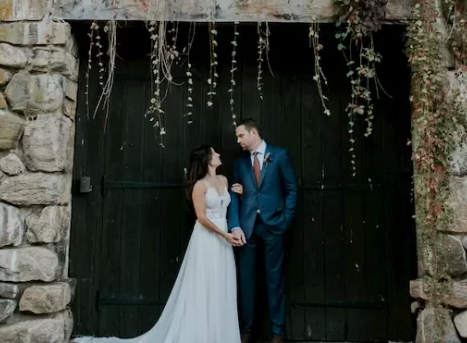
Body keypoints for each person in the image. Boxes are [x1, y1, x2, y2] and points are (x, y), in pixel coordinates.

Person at [73, 145, 243, 343]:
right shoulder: (200, 186)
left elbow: (227, 205)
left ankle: (219, 334)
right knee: (203, 283)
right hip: (207, 238)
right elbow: (202, 218)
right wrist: (224, 235)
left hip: (224, 239)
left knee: (221, 282)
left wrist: (239, 196)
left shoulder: (223, 180)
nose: (219, 155)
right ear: (206, 159)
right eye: (214, 153)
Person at [228, 118, 298, 343]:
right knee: (246, 282)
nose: (238, 140)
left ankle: (277, 332)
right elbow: (234, 197)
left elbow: (291, 189)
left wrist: (285, 220)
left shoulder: (279, 155)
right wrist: (235, 225)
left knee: (274, 280)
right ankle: (246, 331)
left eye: (241, 135)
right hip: (247, 230)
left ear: (254, 132)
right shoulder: (240, 163)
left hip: (274, 227)